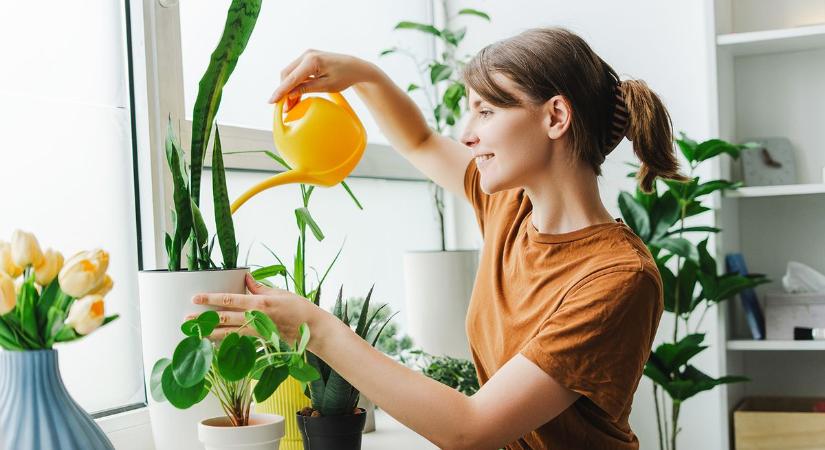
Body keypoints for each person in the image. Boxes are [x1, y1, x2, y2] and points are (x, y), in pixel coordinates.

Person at [191, 27, 688, 449]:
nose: (468, 133)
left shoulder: (618, 278)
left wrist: (316, 329)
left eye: (486, 112)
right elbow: (420, 141)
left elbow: (472, 429)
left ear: (555, 117)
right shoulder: (509, 207)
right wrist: (362, 73)